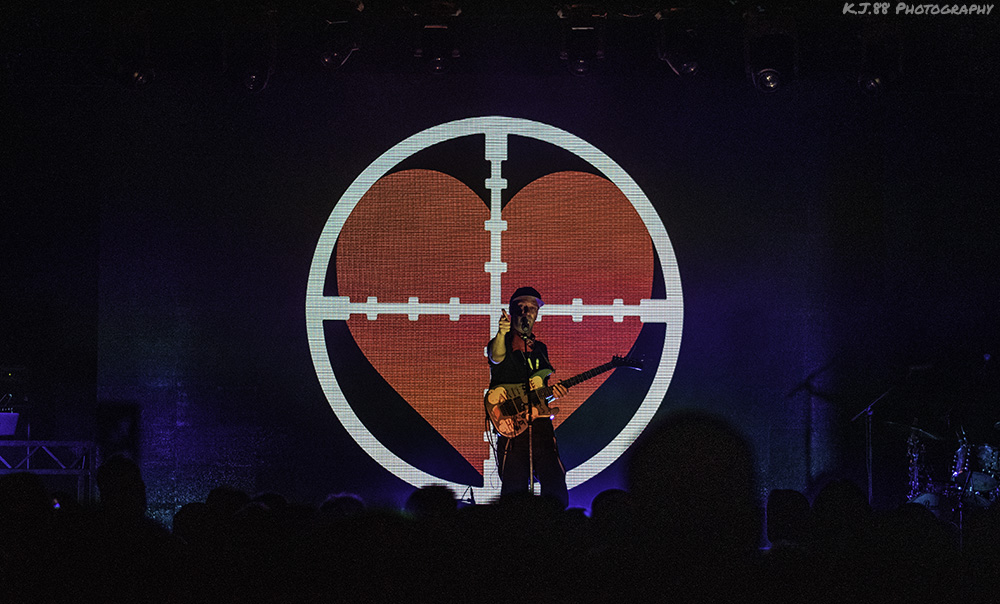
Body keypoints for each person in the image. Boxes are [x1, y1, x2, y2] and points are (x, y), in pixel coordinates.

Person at [487, 287, 569, 508]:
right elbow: (496, 358)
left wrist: (554, 394)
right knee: (514, 489)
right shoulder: (501, 342)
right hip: (513, 428)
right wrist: (502, 333)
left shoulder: (540, 349)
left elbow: (540, 392)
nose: (526, 312)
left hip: (541, 427)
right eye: (520, 307)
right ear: (513, 312)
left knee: (555, 482)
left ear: (536, 314)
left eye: (531, 308)